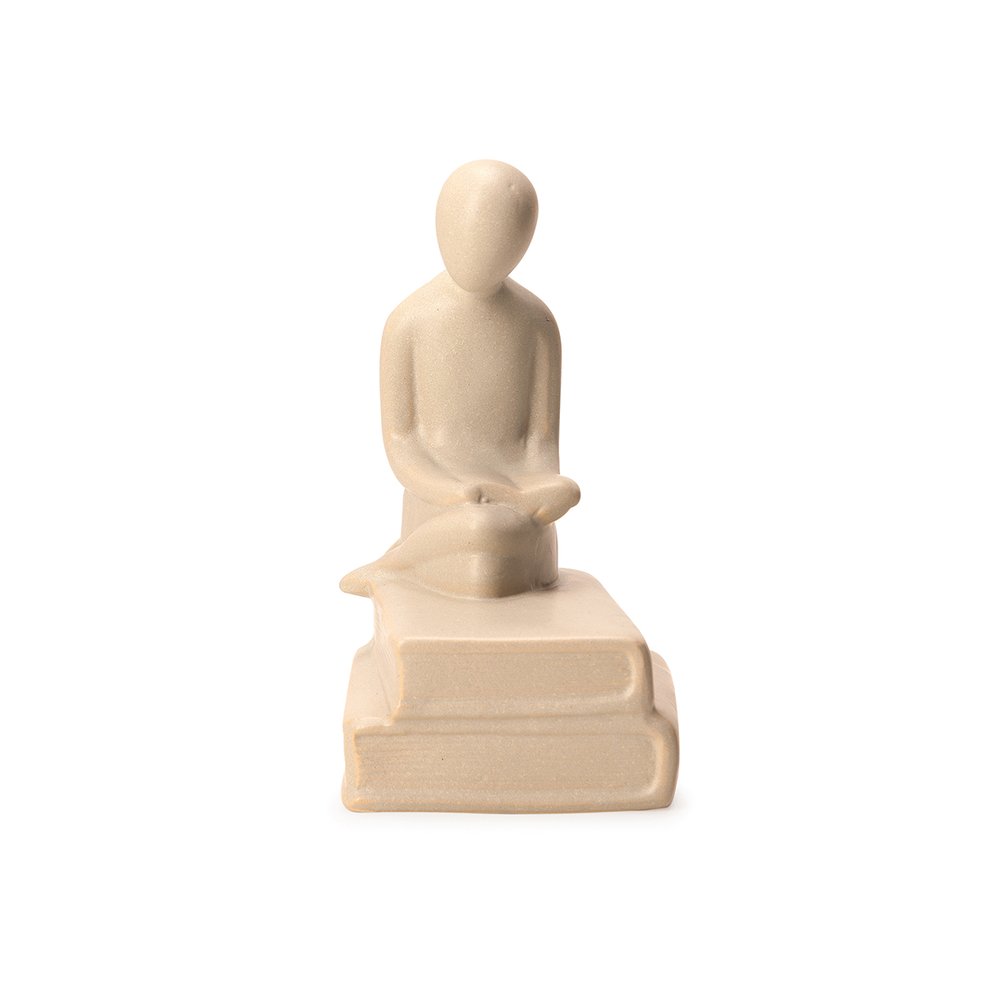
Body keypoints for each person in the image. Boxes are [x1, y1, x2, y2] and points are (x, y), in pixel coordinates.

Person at [340, 160, 580, 599]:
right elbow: (402, 443)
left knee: (562, 494)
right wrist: (453, 491)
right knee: (482, 539)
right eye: (466, 231)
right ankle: (395, 565)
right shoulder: (409, 322)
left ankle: (418, 557)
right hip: (441, 494)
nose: (480, 251)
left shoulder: (537, 324)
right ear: (441, 226)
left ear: (524, 242)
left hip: (517, 495)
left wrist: (532, 489)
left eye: (501, 240)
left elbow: (540, 442)